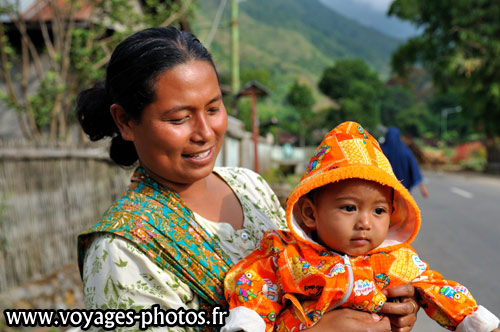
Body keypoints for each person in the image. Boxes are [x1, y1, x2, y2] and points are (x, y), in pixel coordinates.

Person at [76, 26, 419, 332]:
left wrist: (385, 302)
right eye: (180, 118)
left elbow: (320, 265)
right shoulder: (121, 251)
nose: (206, 133)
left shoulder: (248, 186)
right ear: (124, 121)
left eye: (213, 109)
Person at [223, 121, 500, 332]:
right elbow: (255, 286)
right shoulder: (288, 256)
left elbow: (437, 288)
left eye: (378, 210)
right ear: (310, 213)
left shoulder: (395, 260)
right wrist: (247, 323)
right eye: (349, 208)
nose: (365, 223)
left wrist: (475, 321)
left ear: (392, 213)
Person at [381, 127, 429, 197]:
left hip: (384, 190)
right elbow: (414, 169)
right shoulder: (406, 152)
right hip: (403, 190)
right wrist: (423, 188)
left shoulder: (380, 151)